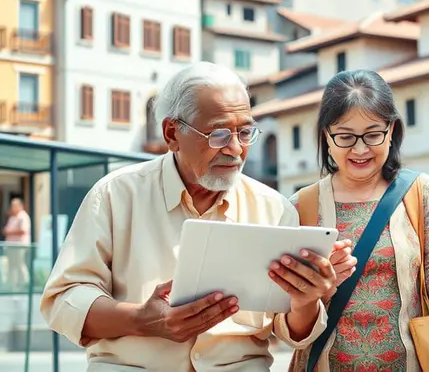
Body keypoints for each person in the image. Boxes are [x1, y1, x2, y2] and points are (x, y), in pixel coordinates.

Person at [40, 62, 354, 371]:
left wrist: (306, 300)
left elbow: (289, 331)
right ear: (172, 133)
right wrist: (142, 320)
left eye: (245, 132)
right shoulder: (114, 195)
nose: (234, 149)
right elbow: (65, 299)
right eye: (218, 134)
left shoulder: (274, 208)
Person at [288, 69, 429, 371]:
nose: (360, 149)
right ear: (326, 135)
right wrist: (320, 290)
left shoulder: (423, 192)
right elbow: (288, 327)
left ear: (391, 131)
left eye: (373, 134)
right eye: (345, 136)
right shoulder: (300, 207)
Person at [4, 198, 31, 290]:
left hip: (19, 246)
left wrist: (10, 232)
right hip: (11, 246)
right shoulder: (12, 217)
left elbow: (23, 230)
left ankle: (25, 284)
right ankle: (13, 286)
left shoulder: (23, 216)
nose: (13, 208)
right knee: (11, 266)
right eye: (12, 206)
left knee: (20, 264)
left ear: (20, 206)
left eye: (15, 206)